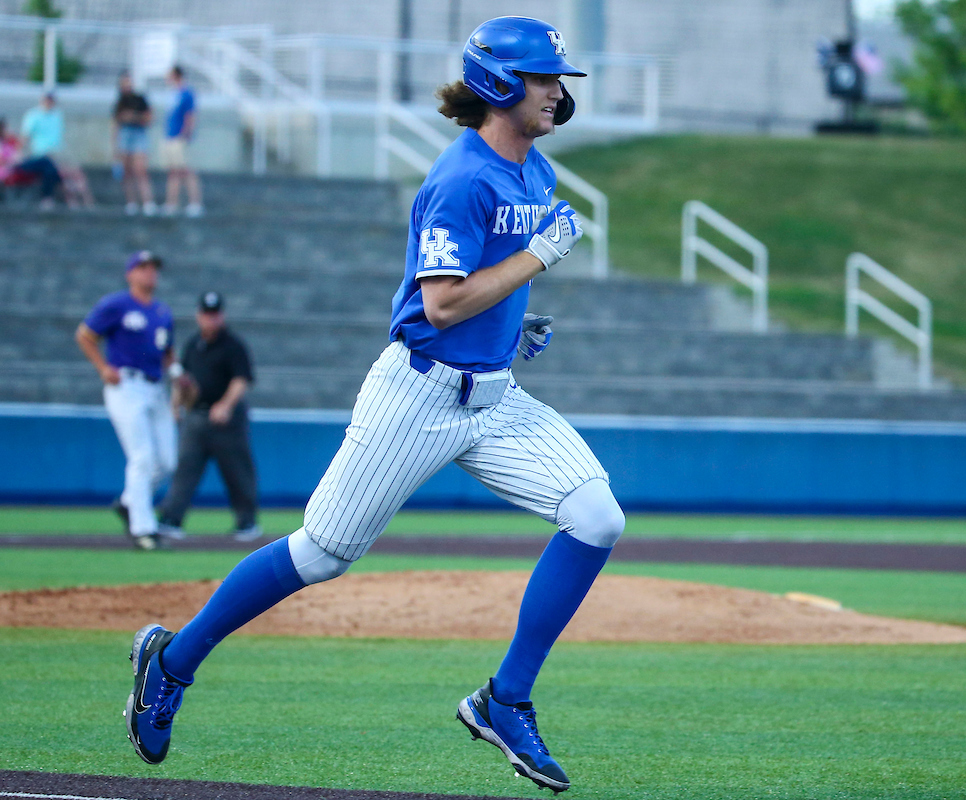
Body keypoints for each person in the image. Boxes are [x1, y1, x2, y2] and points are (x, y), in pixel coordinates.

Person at [124, 17, 622, 795]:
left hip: (494, 396)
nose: (558, 90)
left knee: (597, 517)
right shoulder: (461, 177)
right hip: (420, 392)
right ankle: (172, 660)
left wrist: (513, 321)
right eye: (544, 77)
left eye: (560, 78)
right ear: (500, 86)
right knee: (321, 554)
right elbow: (444, 305)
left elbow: (481, 293)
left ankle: (505, 699)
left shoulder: (536, 174)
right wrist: (536, 259)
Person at [76, 251, 179, 551]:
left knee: (167, 461)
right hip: (126, 385)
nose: (150, 274)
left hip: (155, 386)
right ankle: (143, 530)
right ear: (130, 274)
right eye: (143, 268)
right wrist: (103, 368)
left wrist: (177, 374)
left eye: (153, 269)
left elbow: (167, 352)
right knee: (142, 457)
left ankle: (128, 502)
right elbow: (85, 335)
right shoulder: (116, 304)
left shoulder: (162, 312)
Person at [157, 292, 261, 544]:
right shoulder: (194, 344)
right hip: (197, 416)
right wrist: (175, 404)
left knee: (237, 472)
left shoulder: (232, 345)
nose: (210, 320)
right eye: (206, 314)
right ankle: (171, 519)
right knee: (185, 469)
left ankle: (246, 523)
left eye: (215, 315)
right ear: (198, 315)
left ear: (221, 316)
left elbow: (241, 379)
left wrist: (225, 405)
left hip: (226, 420)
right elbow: (183, 379)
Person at [112, 70, 156, 215]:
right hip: (125, 135)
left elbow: (149, 118)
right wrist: (115, 146)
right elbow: (116, 123)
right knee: (127, 172)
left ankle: (148, 202)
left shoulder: (140, 99)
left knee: (140, 170)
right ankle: (131, 202)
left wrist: (134, 117)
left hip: (138, 134)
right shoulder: (119, 101)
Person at [162, 65, 203, 217]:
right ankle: (171, 203)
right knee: (173, 171)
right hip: (171, 136)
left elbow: (190, 115)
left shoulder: (187, 93)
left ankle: (195, 203)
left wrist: (185, 134)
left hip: (179, 137)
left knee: (186, 170)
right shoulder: (174, 94)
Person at [17, 92, 63, 210]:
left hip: (52, 157)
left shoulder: (57, 116)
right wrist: (19, 154)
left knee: (50, 167)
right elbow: (25, 137)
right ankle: (47, 198)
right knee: (48, 165)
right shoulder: (33, 115)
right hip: (36, 156)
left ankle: (48, 199)